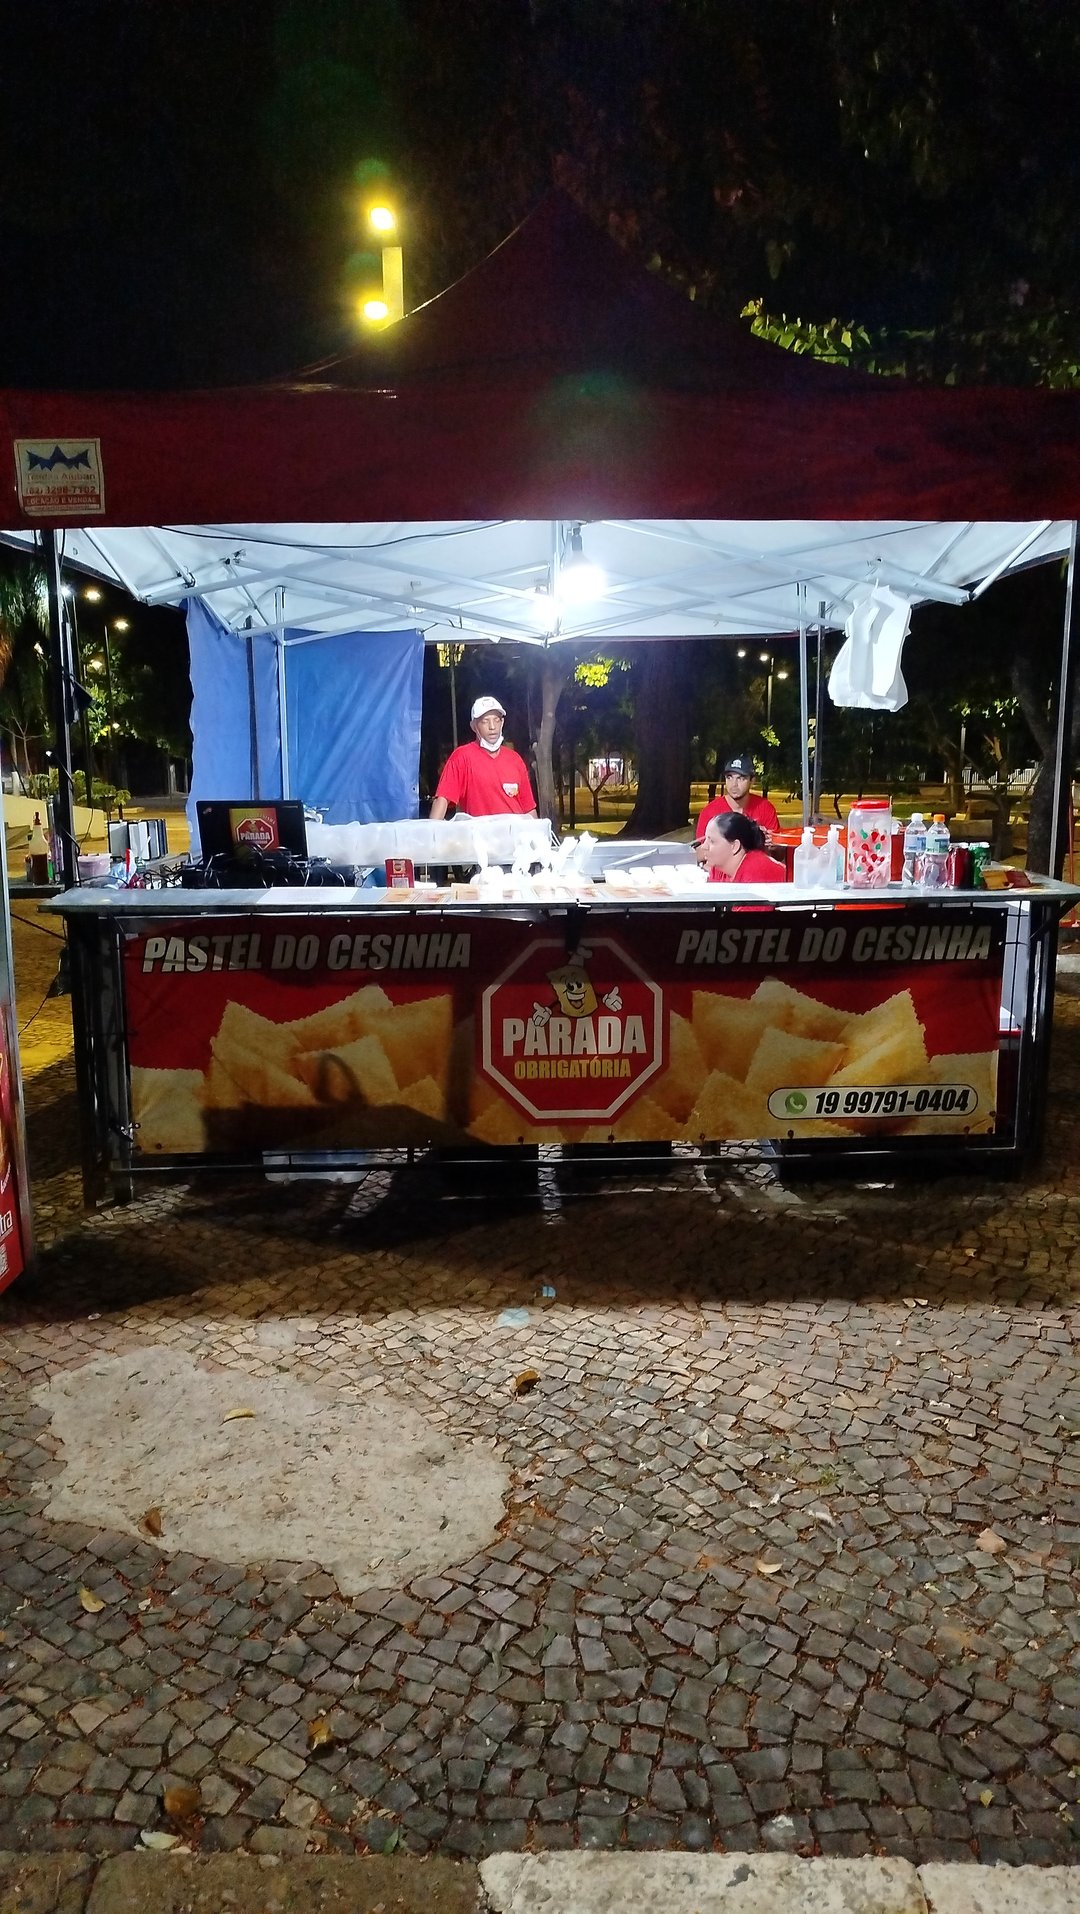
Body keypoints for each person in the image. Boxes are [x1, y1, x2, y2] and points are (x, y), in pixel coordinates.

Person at [430, 696, 537, 818]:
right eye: (485, 721)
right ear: (474, 726)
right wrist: (432, 828)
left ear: (502, 723)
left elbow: (529, 808)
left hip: (514, 829)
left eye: (496, 720)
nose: (492, 727)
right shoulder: (462, 757)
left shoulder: (515, 759)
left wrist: (538, 830)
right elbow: (442, 799)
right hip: (479, 830)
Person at [696, 753, 779, 839]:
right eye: (729, 777)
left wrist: (768, 841)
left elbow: (777, 844)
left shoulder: (765, 808)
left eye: (741, 778)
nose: (734, 784)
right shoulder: (710, 812)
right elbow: (701, 846)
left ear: (752, 781)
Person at [701, 811, 786, 885]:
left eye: (712, 841)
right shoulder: (718, 868)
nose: (704, 846)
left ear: (735, 846)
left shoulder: (755, 873)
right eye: (705, 840)